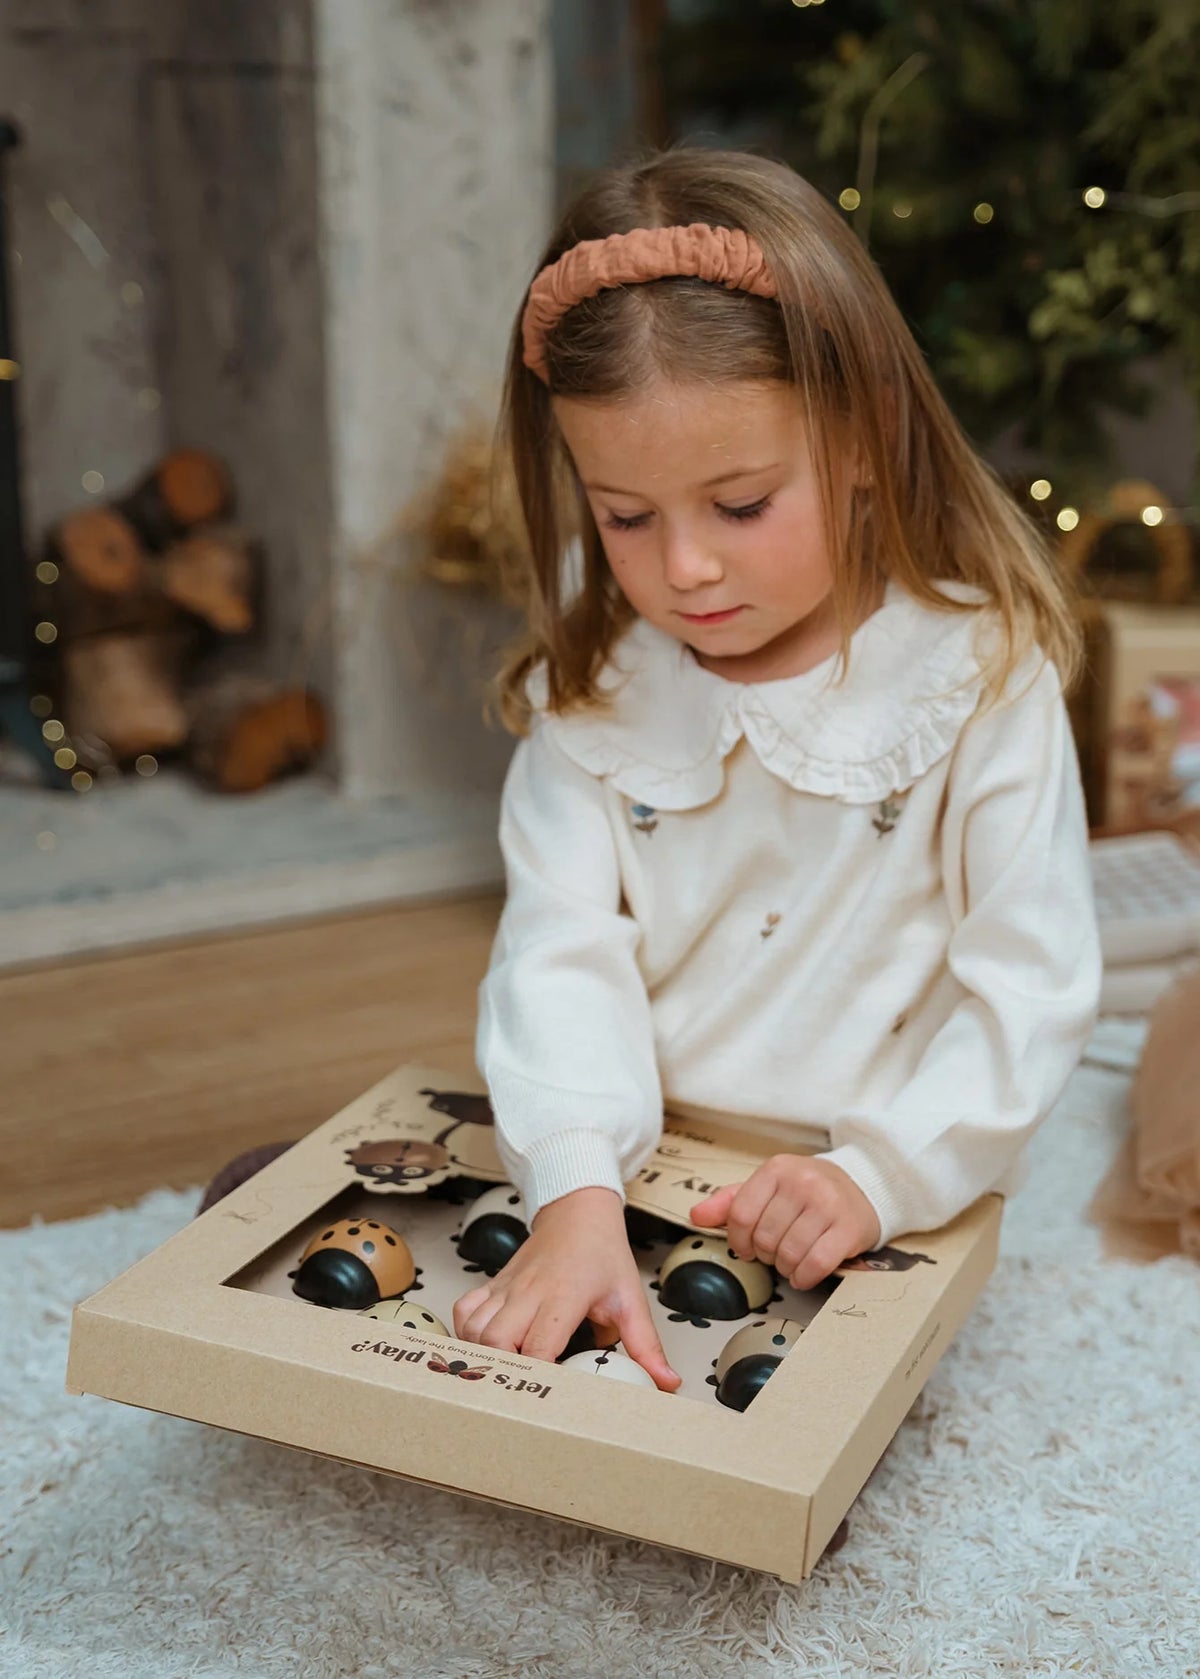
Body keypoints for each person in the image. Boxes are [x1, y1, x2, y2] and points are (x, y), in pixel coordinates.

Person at [451, 147, 1102, 1391]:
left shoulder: (976, 676)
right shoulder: (596, 700)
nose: (683, 566)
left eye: (740, 504)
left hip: (872, 1184)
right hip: (636, 1161)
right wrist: (575, 1183)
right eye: (626, 517)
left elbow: (1032, 986)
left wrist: (881, 1175)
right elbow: (557, 952)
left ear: (862, 438)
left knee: (777, 1434)